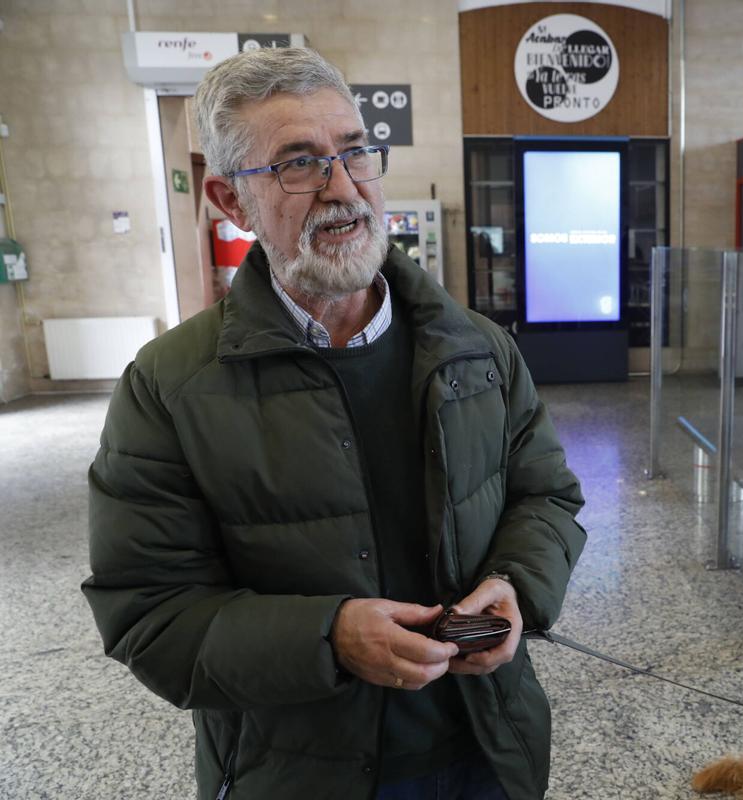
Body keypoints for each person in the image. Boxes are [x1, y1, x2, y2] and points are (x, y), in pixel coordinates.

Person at [81, 47, 586, 800]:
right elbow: (147, 615)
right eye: (299, 164)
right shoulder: (168, 389)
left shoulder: (477, 348)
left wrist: (517, 585)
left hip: (488, 747)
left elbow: (547, 497)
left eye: (355, 152)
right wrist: (330, 638)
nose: (344, 188)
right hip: (298, 772)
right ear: (229, 200)